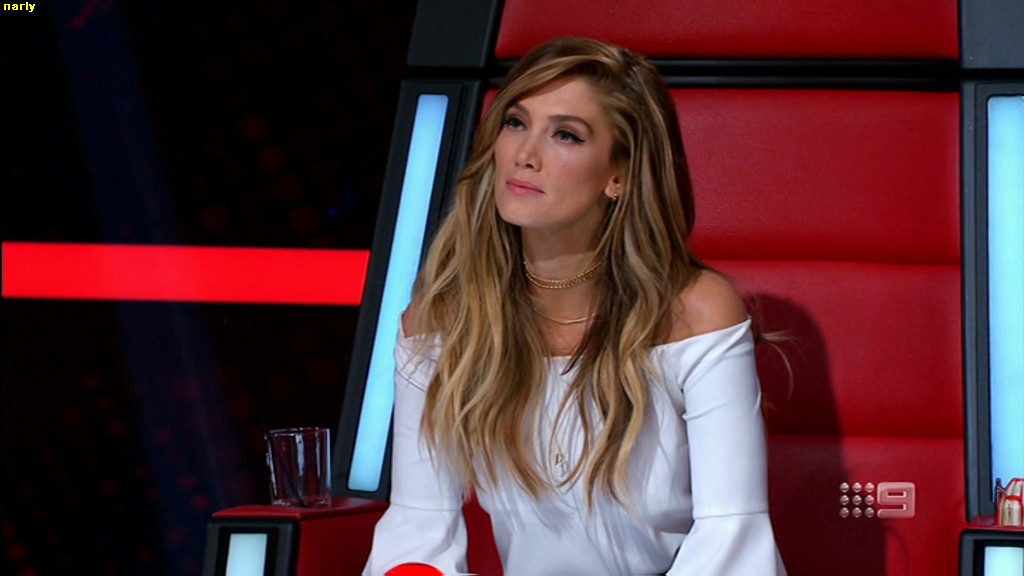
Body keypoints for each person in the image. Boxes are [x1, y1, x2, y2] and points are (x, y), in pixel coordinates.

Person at [363, 37, 786, 575]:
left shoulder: (694, 313)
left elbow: (732, 535)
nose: (525, 154)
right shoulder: (444, 316)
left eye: (565, 134)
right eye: (516, 123)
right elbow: (418, 526)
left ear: (618, 175)